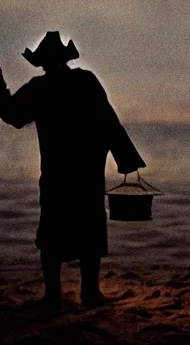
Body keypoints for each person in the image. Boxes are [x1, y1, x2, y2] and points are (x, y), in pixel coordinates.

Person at [0, 31, 146, 310]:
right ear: (65, 58)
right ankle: (89, 293)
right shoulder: (85, 81)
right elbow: (108, 121)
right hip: (86, 170)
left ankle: (53, 296)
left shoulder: (39, 88)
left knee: (53, 231)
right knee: (88, 229)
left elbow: (13, 115)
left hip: (57, 172)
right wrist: (125, 157)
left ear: (41, 62)